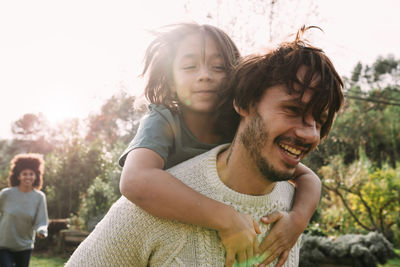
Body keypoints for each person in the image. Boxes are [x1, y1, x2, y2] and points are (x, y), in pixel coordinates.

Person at [66, 25, 343, 267]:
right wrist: (227, 218)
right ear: (245, 102)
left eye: (219, 67)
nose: (204, 76)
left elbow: (308, 177)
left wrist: (297, 220)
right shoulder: (164, 119)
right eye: (292, 109)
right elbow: (136, 181)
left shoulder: (241, 135)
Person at [0, 153, 49, 267]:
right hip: (3, 245)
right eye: (24, 174)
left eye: (31, 174)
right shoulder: (6, 194)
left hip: (24, 246)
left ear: (36, 176)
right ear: (18, 176)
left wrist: (41, 230)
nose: (28, 177)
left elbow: (41, 221)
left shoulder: (39, 197)